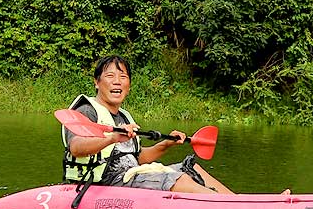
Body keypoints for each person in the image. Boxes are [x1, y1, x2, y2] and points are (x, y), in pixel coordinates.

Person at [62, 55, 235, 194]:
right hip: (105, 183)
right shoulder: (87, 111)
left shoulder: (125, 116)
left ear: (128, 86)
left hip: (131, 176)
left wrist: (166, 144)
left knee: (191, 168)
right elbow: (76, 147)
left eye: (123, 77)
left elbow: (137, 158)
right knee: (178, 178)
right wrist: (112, 138)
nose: (117, 81)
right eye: (110, 76)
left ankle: (236, 203)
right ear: (97, 82)